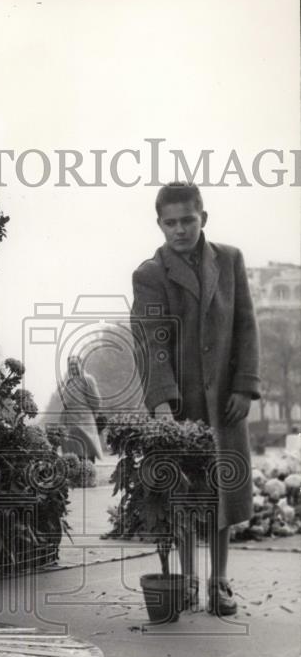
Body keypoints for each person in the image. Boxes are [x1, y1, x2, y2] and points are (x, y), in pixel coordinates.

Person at [130, 182, 260, 616]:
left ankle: (219, 582)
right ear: (159, 224)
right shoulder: (150, 274)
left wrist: (244, 386)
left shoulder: (230, 259)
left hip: (225, 400)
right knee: (185, 495)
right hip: (181, 405)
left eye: (188, 219)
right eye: (171, 222)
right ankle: (185, 582)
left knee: (223, 490)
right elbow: (151, 342)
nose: (180, 229)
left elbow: (245, 325)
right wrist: (164, 403)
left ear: (203, 216)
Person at [58, 354, 103, 462]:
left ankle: (88, 473)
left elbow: (96, 400)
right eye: (70, 365)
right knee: (73, 451)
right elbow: (66, 404)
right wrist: (62, 421)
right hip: (70, 422)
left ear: (80, 364)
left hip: (85, 419)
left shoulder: (88, 379)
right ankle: (75, 475)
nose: (72, 367)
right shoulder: (69, 382)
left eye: (74, 364)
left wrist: (94, 414)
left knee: (87, 449)